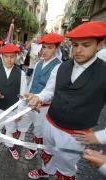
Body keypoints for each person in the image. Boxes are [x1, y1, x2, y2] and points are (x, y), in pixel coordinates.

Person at [26, 21, 106, 179]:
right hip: (50, 122)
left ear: (99, 45)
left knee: (66, 166)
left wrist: (100, 136)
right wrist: (39, 97)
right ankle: (46, 170)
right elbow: (50, 90)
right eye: (75, 45)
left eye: (86, 45)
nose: (78, 50)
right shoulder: (62, 67)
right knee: (47, 152)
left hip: (74, 134)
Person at [24, 33, 63, 160]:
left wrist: (38, 98)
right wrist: (27, 96)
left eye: (50, 47)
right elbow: (32, 82)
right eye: (44, 47)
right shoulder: (38, 63)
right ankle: (33, 146)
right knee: (30, 124)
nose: (45, 50)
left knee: (39, 129)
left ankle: (36, 148)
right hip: (32, 102)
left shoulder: (58, 66)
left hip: (44, 106)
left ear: (57, 49)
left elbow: (50, 90)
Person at [0, 44, 28, 160]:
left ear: (16, 57)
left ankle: (10, 145)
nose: (9, 60)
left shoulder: (21, 74)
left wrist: (19, 112)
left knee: (11, 128)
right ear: (2, 57)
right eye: (6, 56)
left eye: (12, 57)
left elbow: (23, 94)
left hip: (12, 108)